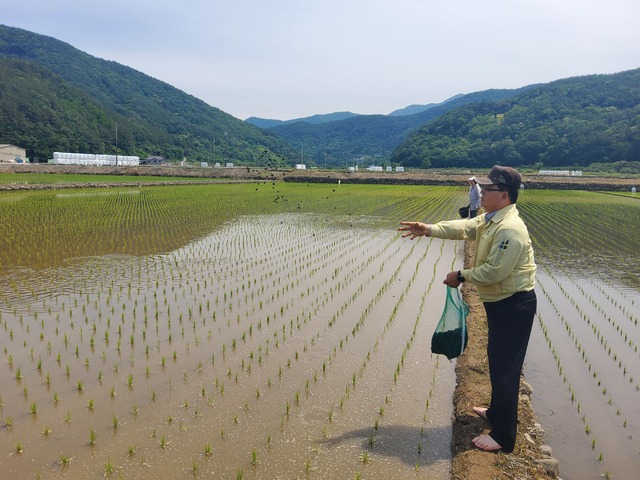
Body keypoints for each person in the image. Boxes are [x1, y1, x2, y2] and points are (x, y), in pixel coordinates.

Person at [398, 165, 536, 453]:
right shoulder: (492, 218)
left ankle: (503, 436)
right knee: (497, 360)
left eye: (489, 189)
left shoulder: (510, 228)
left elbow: (495, 271)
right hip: (501, 301)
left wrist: (460, 276)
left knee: (506, 368)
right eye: (483, 187)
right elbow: (466, 227)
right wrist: (429, 229)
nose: (482, 192)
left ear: (505, 195)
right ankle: (496, 413)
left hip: (513, 304)